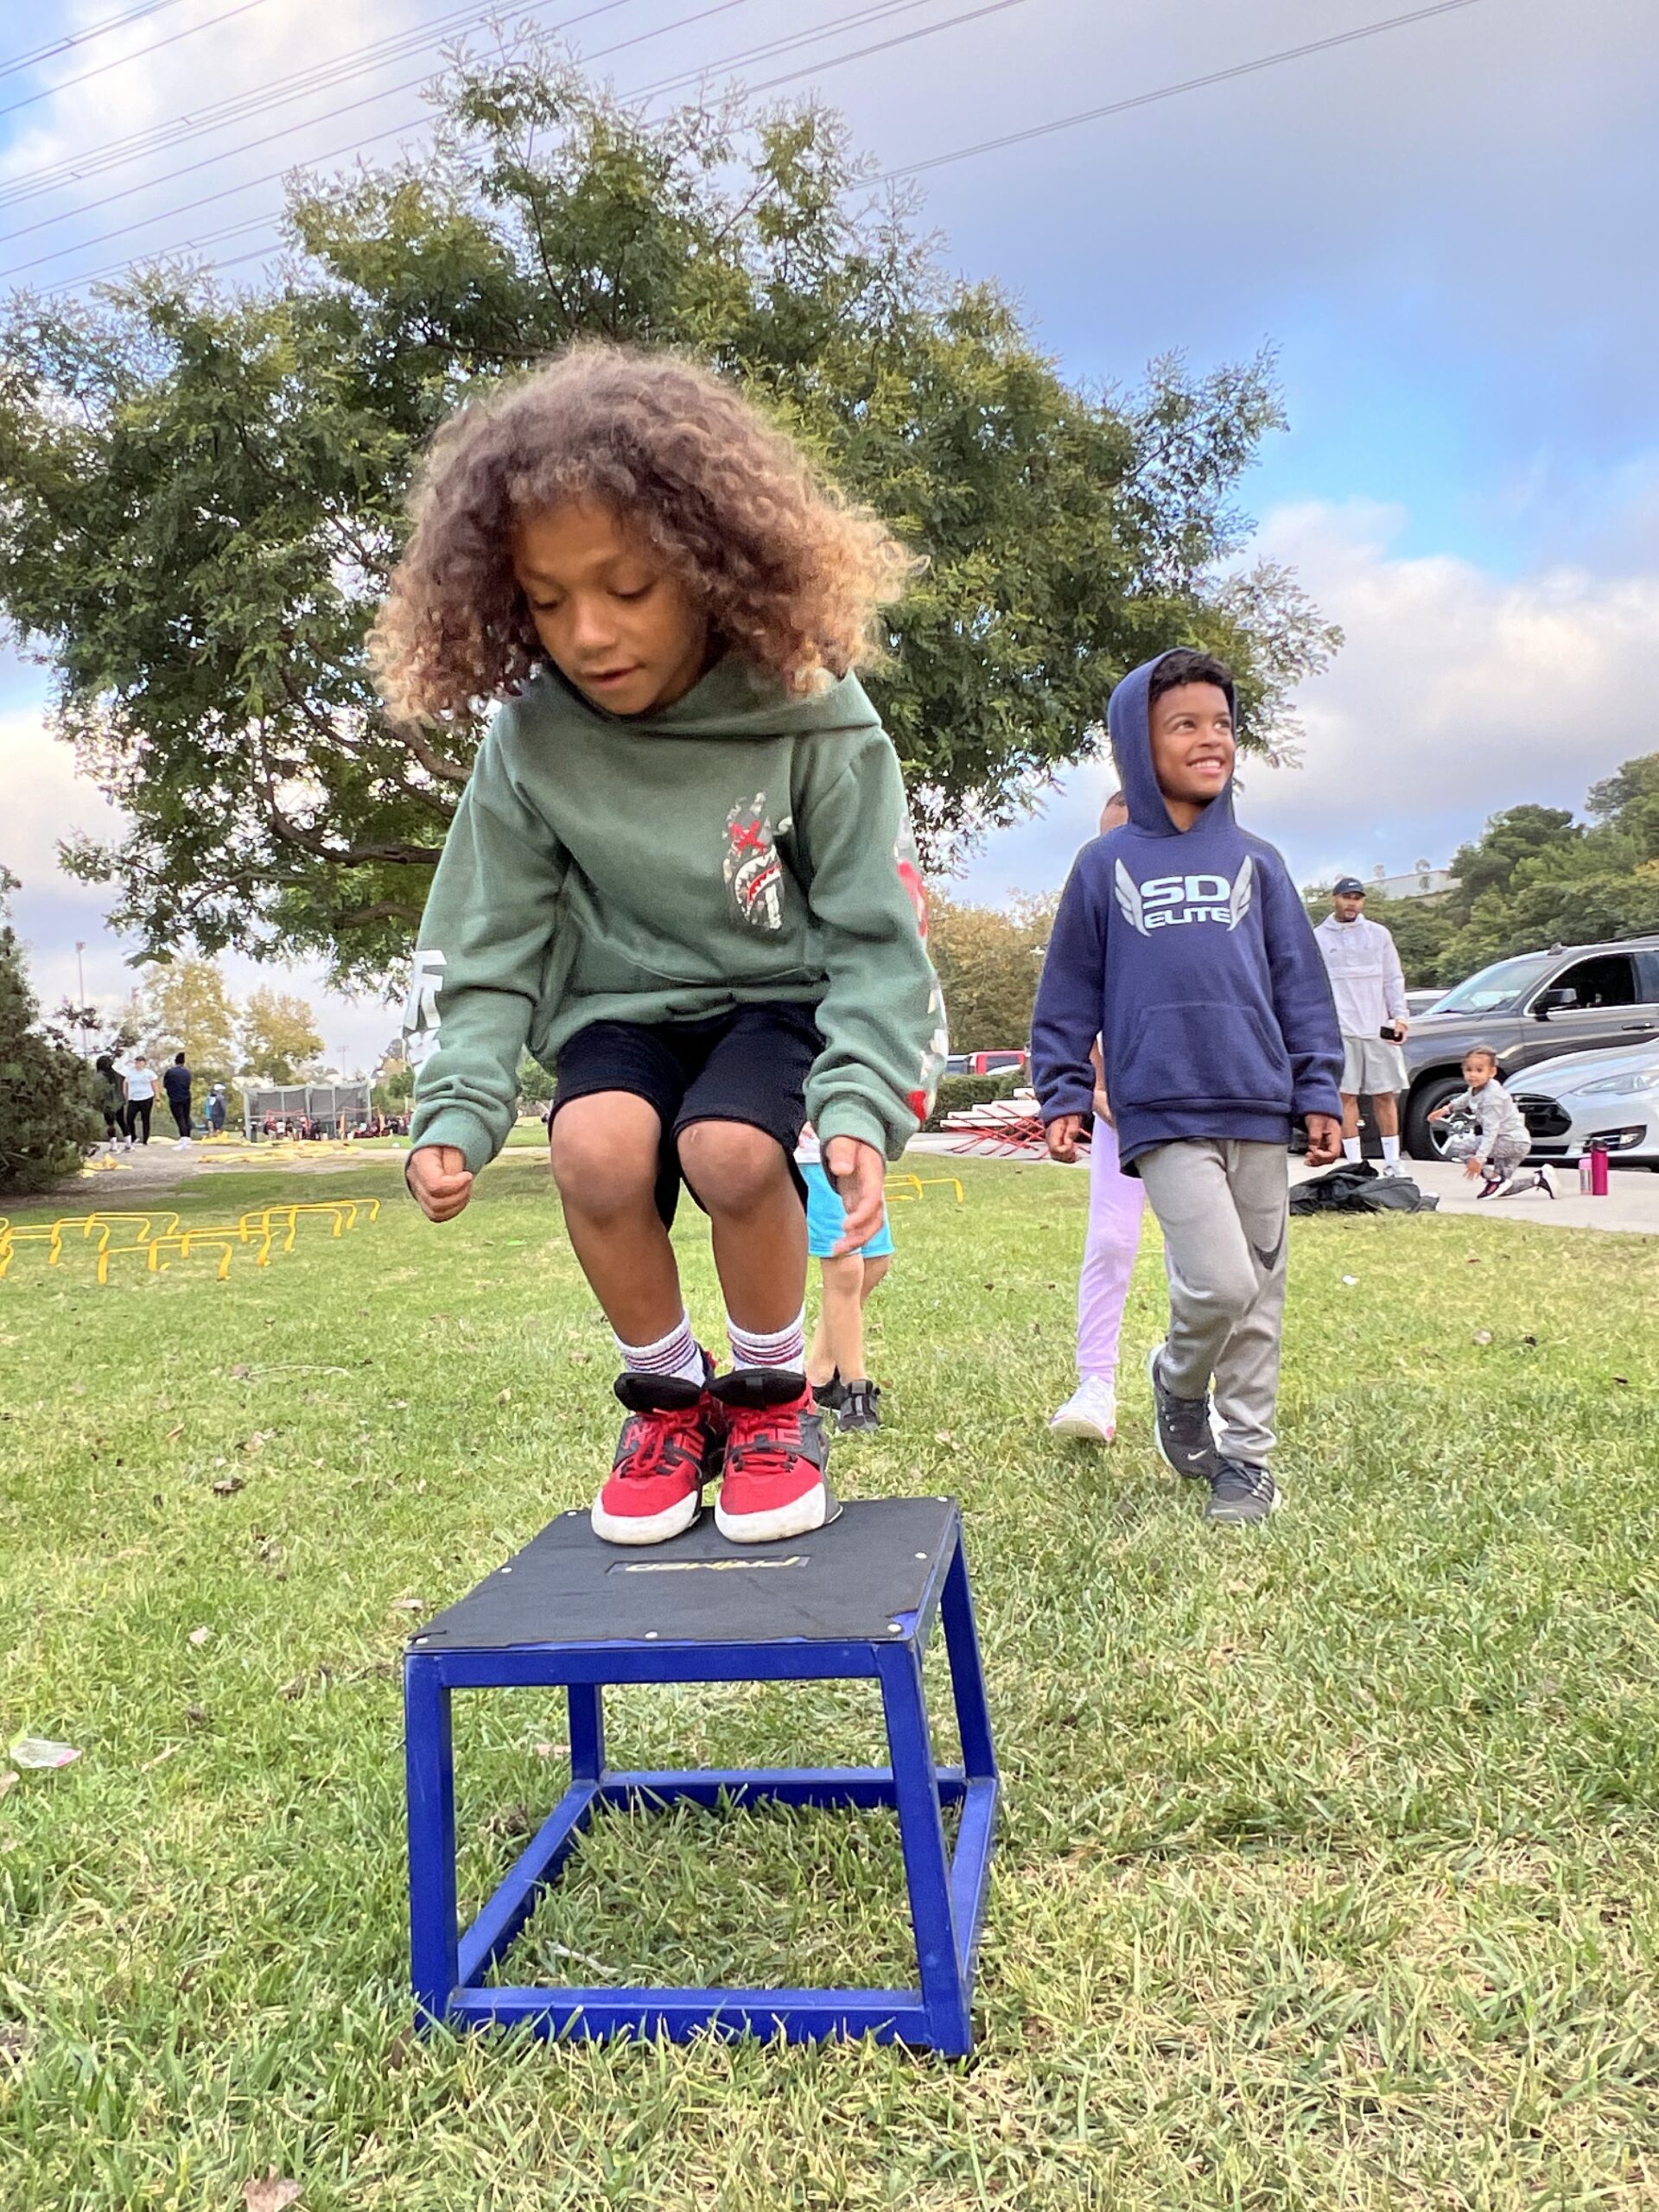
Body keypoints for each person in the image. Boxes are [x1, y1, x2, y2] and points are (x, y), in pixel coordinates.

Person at [375, 344, 944, 1548]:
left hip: (776, 999)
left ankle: (773, 1399)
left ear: (709, 562)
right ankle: (672, 1404)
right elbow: (484, 939)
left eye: (628, 586)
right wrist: (458, 1106)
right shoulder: (529, 744)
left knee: (732, 1149)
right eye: (546, 600)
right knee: (590, 1147)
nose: (588, 633)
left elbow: (876, 933)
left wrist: (860, 1097)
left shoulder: (814, 715)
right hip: (621, 1009)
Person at [1033, 647, 1343, 1527]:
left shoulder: (1259, 862)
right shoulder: (1104, 866)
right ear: (1140, 743)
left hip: (1259, 1103)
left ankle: (1246, 1459)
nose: (1212, 740)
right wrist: (1062, 1091)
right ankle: (1177, 1378)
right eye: (1185, 725)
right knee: (1220, 1283)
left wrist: (1319, 1087)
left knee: (1262, 1296)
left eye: (1222, 724)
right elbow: (1068, 991)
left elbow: (1301, 985)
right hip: (1161, 1110)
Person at [1049, 789, 1146, 1445]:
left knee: (1205, 1257)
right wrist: (1093, 1095)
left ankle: (1199, 1383)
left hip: (1192, 1115)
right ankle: (1095, 1384)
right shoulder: (1092, 920)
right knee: (1111, 1240)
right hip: (1120, 1118)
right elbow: (1069, 1009)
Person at [798, 1122, 893, 1433]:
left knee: (876, 1261)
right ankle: (855, 1386)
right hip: (815, 1155)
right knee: (845, 1267)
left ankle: (818, 1375)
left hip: (855, 1143)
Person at [1313, 877, 1411, 1174]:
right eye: (1347, 897)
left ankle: (1393, 1162)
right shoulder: (1319, 937)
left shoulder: (1378, 934)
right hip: (1341, 1029)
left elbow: (1393, 978)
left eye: (1357, 898)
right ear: (1335, 899)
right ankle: (1355, 1164)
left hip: (1377, 1026)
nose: (1351, 903)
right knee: (1345, 1096)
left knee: (1385, 1095)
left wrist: (1400, 1017)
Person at [1427, 1047, 1553, 1198]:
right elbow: (1466, 1098)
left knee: (1460, 1147)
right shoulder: (1478, 1088)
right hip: (1515, 1141)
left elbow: (1490, 1132)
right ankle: (1539, 1179)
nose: (1473, 1075)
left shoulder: (1492, 1099)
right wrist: (1447, 1109)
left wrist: (1479, 1159)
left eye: (1479, 1070)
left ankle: (1495, 1179)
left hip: (1510, 1141)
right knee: (1502, 1187)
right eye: (1468, 1070)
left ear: (1492, 1072)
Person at [122, 1053, 156, 1146]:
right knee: (129, 1118)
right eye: (137, 1062)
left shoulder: (149, 1073)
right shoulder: (130, 1073)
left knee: (145, 1119)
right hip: (133, 1099)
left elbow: (154, 1084)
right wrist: (125, 1094)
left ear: (144, 1063)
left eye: (140, 1062)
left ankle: (145, 1139)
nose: (138, 1064)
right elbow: (125, 1083)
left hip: (146, 1097)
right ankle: (134, 1137)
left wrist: (157, 1097)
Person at [92, 1052, 126, 1147]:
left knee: (110, 1124)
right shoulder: (118, 1075)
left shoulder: (99, 1076)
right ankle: (129, 1144)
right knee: (122, 1122)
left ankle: (114, 1145)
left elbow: (97, 1090)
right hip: (119, 1101)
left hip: (107, 1103)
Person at [162, 1051, 194, 1146]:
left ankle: (183, 1137)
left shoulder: (170, 1072)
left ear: (175, 1061)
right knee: (186, 1117)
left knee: (180, 1118)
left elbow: (165, 1084)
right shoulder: (187, 1072)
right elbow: (188, 1083)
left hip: (174, 1097)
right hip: (186, 1097)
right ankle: (188, 1137)